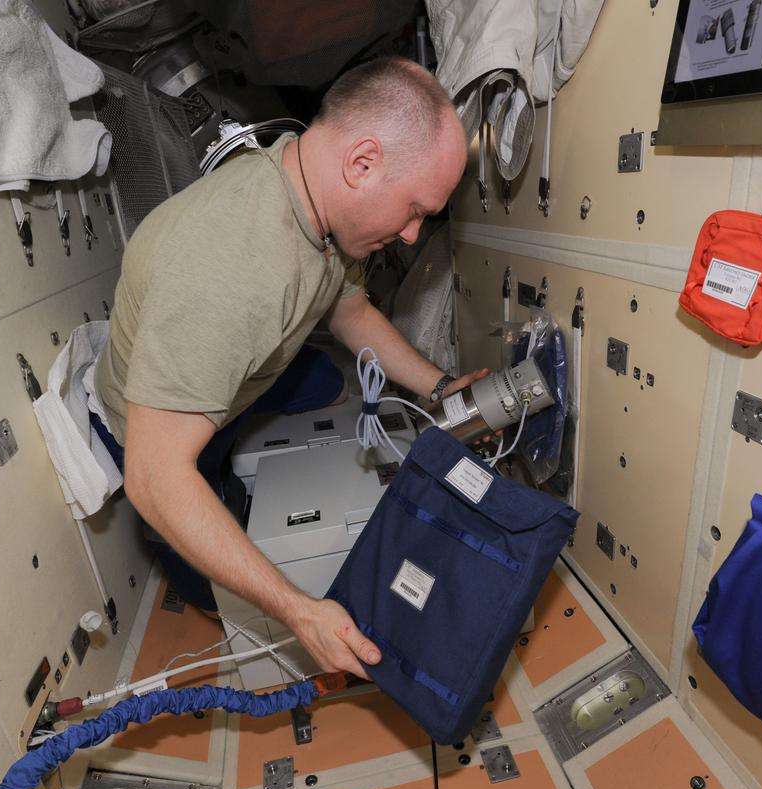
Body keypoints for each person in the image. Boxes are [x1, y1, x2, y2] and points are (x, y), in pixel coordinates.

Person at [92, 56, 484, 679]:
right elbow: (154, 475)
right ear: (362, 163)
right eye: (413, 211)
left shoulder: (311, 180)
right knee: (215, 575)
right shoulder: (232, 275)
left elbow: (349, 311)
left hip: (235, 369)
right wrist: (301, 612)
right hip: (153, 436)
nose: (413, 236)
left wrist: (439, 386)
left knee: (328, 381)